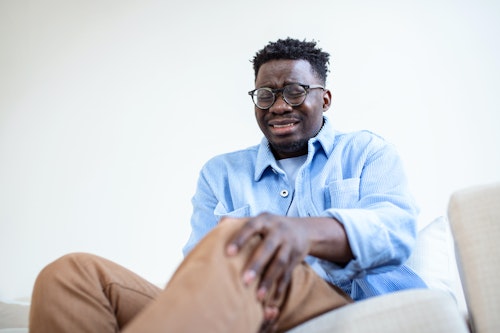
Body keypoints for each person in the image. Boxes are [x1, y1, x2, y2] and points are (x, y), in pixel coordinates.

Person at [29, 38, 427, 333]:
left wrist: (301, 233)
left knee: (242, 241)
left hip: (346, 304)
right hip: (247, 305)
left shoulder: (366, 151)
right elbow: (197, 269)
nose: (278, 106)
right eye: (266, 94)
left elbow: (396, 231)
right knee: (70, 274)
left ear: (324, 99)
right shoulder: (219, 173)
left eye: (294, 91)